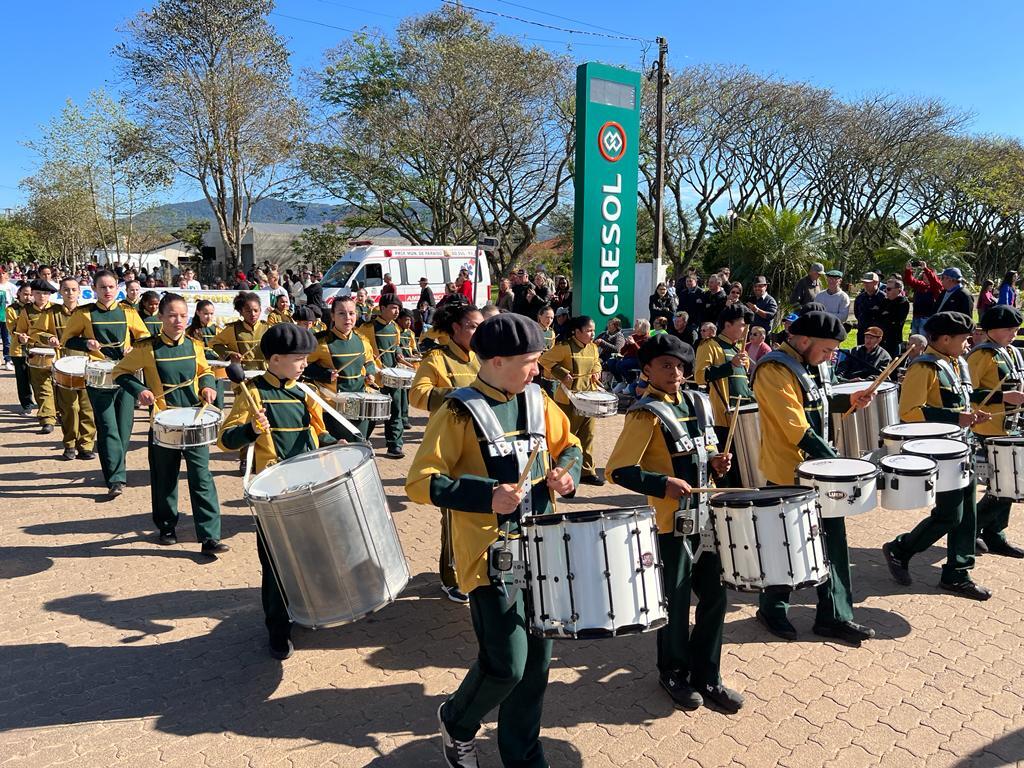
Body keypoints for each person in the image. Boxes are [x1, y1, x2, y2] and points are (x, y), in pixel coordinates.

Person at [405, 313, 582, 768]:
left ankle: (522, 755)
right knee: (507, 664)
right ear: (497, 361)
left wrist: (567, 474)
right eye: (530, 361)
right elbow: (419, 482)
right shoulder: (457, 410)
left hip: (544, 549)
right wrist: (487, 495)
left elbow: (571, 446)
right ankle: (458, 721)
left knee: (538, 666)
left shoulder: (539, 400)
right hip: (490, 559)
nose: (537, 369)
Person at [607, 334, 742, 713]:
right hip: (671, 524)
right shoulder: (644, 412)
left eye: (680, 366)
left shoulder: (698, 401)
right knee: (677, 602)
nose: (675, 372)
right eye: (666, 365)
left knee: (716, 598)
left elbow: (707, 446)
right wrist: (661, 484)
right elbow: (617, 470)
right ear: (647, 369)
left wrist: (717, 462)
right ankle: (673, 673)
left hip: (707, 518)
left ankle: (707, 673)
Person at [752, 311, 875, 644]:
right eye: (826, 349)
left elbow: (816, 401)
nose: (830, 356)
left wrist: (848, 399)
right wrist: (836, 461)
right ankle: (772, 609)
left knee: (833, 543)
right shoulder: (773, 369)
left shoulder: (811, 363)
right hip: (787, 472)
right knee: (784, 545)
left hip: (819, 470)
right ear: (803, 340)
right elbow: (795, 425)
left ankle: (835, 616)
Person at [219, 323, 338, 660]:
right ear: (274, 359)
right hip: (273, 494)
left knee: (309, 554)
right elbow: (225, 440)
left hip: (308, 487)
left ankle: (306, 610)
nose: (304, 363)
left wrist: (336, 443)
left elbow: (318, 435)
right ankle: (277, 627)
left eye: (305, 358)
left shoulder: (306, 392)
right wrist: (251, 429)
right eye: (298, 358)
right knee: (274, 564)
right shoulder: (252, 393)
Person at [882, 311, 993, 601]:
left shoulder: (957, 363)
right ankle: (900, 548)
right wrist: (958, 418)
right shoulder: (924, 368)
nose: (968, 343)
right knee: (949, 516)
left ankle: (958, 573)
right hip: (939, 452)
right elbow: (909, 411)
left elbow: (962, 402)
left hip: (961, 448)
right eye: (963, 338)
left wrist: (971, 417)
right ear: (944, 339)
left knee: (967, 515)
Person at [113, 293, 225, 555]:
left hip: (194, 421)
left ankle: (210, 536)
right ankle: (166, 526)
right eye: (172, 315)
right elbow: (120, 372)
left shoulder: (195, 345)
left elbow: (205, 371)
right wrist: (140, 390)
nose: (178, 320)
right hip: (164, 423)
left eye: (183, 315)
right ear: (160, 317)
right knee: (165, 478)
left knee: (202, 477)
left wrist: (208, 388)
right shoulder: (146, 348)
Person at [409, 301, 483, 605]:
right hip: (449, 446)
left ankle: (476, 568)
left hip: (480, 444)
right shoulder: (437, 359)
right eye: (473, 326)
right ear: (456, 328)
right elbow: (417, 394)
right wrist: (455, 395)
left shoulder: (481, 357)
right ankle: (450, 577)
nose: (479, 332)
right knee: (452, 514)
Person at [61, 269, 150, 497]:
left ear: (117, 288)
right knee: (107, 427)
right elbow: (66, 340)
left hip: (126, 375)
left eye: (111, 287)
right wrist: (86, 344)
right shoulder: (84, 313)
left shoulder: (128, 312)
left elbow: (144, 338)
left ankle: (116, 467)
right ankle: (116, 478)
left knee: (124, 428)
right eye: (102, 287)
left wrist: (134, 348)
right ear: (94, 289)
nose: (107, 291)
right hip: (98, 377)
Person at [967, 305, 1024, 559]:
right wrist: (1004, 396)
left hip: (1010, 426)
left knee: (1011, 484)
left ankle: (995, 533)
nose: (1015, 332)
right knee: (1002, 486)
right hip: (988, 427)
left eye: (1016, 328)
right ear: (991, 330)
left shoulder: (1010, 351)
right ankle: (969, 529)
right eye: (1009, 329)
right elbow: (968, 392)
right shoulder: (981, 356)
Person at [694, 304, 754, 487]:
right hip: (722, 416)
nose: (745, 330)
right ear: (727, 325)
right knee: (726, 470)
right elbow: (700, 376)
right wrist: (730, 366)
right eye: (742, 325)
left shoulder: (737, 350)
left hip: (743, 417)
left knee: (743, 468)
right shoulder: (710, 345)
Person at [540, 314, 603, 485]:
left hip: (589, 398)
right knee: (566, 437)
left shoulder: (593, 348)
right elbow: (544, 359)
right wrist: (561, 373)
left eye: (593, 331)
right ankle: (558, 470)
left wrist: (597, 370)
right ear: (576, 332)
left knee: (588, 435)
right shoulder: (564, 347)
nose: (592, 334)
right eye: (588, 331)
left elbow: (597, 363)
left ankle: (587, 472)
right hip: (567, 400)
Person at [304, 295, 377, 441]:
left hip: (359, 402)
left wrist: (370, 373)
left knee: (359, 442)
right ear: (332, 316)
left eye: (351, 313)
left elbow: (369, 362)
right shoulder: (320, 342)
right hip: (332, 406)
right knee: (340, 449)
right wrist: (324, 374)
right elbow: (303, 366)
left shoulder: (362, 340)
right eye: (341, 313)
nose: (348, 318)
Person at [212, 292, 269, 473]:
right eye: (248, 310)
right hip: (243, 382)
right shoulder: (232, 329)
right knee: (246, 421)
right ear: (241, 312)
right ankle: (244, 458)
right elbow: (215, 344)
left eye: (256, 310)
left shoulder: (268, 328)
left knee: (263, 419)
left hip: (265, 380)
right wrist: (230, 354)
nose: (253, 314)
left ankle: (261, 459)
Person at [41, 278, 95, 460]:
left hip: (87, 366)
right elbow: (36, 331)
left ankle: (86, 446)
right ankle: (70, 444)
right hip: (64, 366)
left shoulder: (88, 312)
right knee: (70, 408)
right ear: (60, 292)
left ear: (80, 292)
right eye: (66, 289)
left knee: (87, 408)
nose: (70, 293)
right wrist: (49, 338)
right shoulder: (51, 312)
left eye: (73, 290)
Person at [357, 293, 409, 458]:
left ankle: (395, 445)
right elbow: (362, 350)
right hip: (375, 379)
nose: (396, 311)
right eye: (393, 308)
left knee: (395, 410)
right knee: (371, 413)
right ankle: (361, 443)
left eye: (398, 308)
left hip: (392, 376)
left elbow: (396, 346)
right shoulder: (368, 327)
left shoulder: (395, 327)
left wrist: (399, 353)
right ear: (382, 308)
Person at [15, 279, 57, 434]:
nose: (42, 296)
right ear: (32, 293)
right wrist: (22, 338)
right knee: (41, 387)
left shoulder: (57, 309)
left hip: (57, 353)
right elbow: (20, 331)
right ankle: (47, 419)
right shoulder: (26, 311)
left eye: (46, 293)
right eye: (38, 293)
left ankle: (57, 412)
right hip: (37, 353)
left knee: (58, 386)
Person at [186, 299, 226, 410]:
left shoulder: (217, 330)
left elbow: (224, 347)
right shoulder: (190, 331)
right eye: (206, 313)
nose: (209, 316)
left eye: (211, 314)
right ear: (198, 312)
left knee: (218, 402)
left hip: (216, 370)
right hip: (200, 370)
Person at [7, 282, 34, 414]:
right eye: (25, 294)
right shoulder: (12, 309)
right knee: (22, 379)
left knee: (38, 379)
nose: (28, 297)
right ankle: (27, 404)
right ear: (19, 294)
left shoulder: (36, 308)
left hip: (36, 348)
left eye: (30, 294)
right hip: (19, 349)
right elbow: (12, 329)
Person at [903, 260, 943, 336]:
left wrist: (925, 268)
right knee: (914, 339)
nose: (925, 277)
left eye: (927, 275)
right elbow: (910, 281)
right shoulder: (920, 285)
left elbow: (935, 282)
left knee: (924, 341)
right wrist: (908, 270)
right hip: (916, 317)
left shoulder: (936, 288)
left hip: (928, 318)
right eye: (924, 275)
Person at [877, 278, 911, 357]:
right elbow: (878, 316)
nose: (886, 291)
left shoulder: (903, 303)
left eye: (889, 289)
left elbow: (896, 321)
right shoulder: (884, 301)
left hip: (893, 341)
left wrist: (885, 315)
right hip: (881, 339)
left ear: (898, 290)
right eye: (886, 289)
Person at [853, 272, 884, 345]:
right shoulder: (860, 298)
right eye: (864, 282)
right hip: (862, 333)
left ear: (876, 282)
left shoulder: (883, 298)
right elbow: (857, 313)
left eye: (868, 282)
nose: (865, 285)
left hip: (877, 335)